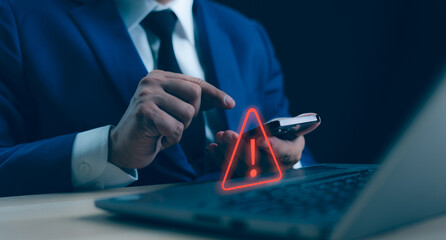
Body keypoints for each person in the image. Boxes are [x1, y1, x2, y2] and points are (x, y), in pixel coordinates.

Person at [0, 0, 318, 197]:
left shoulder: (248, 35)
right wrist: (110, 150)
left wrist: (287, 162)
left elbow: (299, 160)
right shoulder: (16, 20)